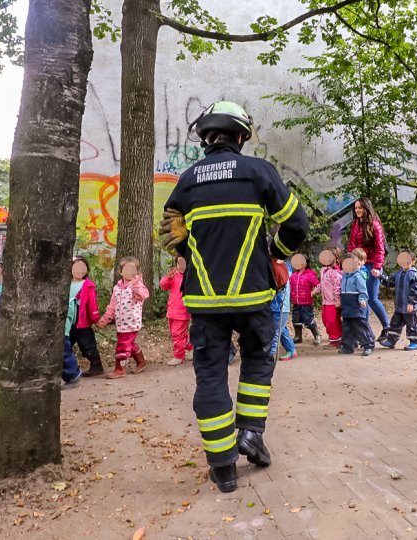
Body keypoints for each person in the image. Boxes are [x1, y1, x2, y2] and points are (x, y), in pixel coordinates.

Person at [159, 100, 309, 493]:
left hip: (204, 304)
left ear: (207, 137)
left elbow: (172, 236)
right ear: (241, 135)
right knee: (258, 363)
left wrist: (192, 254)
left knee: (209, 377)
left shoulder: (187, 180)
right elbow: (297, 224)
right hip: (254, 296)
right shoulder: (258, 171)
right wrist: (273, 253)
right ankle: (250, 434)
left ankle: (223, 468)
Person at [96, 257, 149, 379]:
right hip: (121, 323)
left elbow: (143, 295)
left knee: (122, 347)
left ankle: (120, 369)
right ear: (121, 272)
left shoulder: (137, 286)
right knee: (129, 344)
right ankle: (141, 362)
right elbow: (112, 306)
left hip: (131, 323)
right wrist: (105, 319)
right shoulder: (117, 288)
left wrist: (136, 283)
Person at [347, 198, 389, 339]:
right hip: (359, 265)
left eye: (360, 207)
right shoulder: (355, 224)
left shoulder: (374, 225)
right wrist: (350, 263)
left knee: (371, 298)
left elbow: (380, 249)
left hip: (372, 265)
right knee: (361, 298)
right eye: (356, 208)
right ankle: (365, 334)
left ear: (366, 208)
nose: (357, 210)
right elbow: (351, 246)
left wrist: (377, 267)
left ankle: (387, 327)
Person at [378, 251, 417, 351]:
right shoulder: (399, 273)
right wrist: (380, 276)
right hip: (399, 306)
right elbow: (390, 281)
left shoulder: (413, 274)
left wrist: (411, 303)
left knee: (412, 325)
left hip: (409, 307)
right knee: (395, 324)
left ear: (413, 261)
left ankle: (414, 342)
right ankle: (391, 340)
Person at [70, 257, 104, 378]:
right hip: (68, 321)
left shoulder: (88, 285)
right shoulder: (66, 283)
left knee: (87, 344)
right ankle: (68, 368)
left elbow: (92, 304)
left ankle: (96, 365)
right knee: (65, 344)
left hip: (82, 321)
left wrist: (95, 319)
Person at [338, 254, 375, 356]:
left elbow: (363, 291)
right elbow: (342, 290)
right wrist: (340, 301)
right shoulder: (344, 275)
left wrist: (362, 299)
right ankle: (347, 347)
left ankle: (368, 345)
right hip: (346, 305)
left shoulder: (358, 275)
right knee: (347, 327)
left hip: (356, 305)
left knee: (360, 326)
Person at [160, 257, 193, 366]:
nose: (181, 265)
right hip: (171, 311)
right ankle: (191, 347)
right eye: (179, 263)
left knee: (177, 334)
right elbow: (163, 286)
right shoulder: (174, 276)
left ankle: (179, 356)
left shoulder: (190, 277)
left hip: (183, 312)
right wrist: (168, 277)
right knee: (178, 333)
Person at [289, 254, 321, 346]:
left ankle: (317, 335)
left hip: (306, 303)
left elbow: (318, 285)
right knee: (296, 320)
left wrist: (313, 292)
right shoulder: (293, 276)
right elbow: (290, 288)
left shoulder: (310, 275)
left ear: (305, 263)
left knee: (308, 319)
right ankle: (298, 337)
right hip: (296, 303)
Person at [270, 259, 297, 361]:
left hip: (280, 306)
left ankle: (270, 356)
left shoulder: (279, 269)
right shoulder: (286, 268)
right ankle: (291, 350)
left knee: (276, 332)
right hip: (282, 306)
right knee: (282, 329)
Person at [319, 248, 343, 348]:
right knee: (325, 319)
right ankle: (338, 336)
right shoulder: (324, 271)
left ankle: (336, 340)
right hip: (325, 301)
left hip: (333, 302)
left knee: (331, 320)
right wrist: (315, 291)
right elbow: (322, 284)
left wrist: (337, 300)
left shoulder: (335, 273)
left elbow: (337, 287)